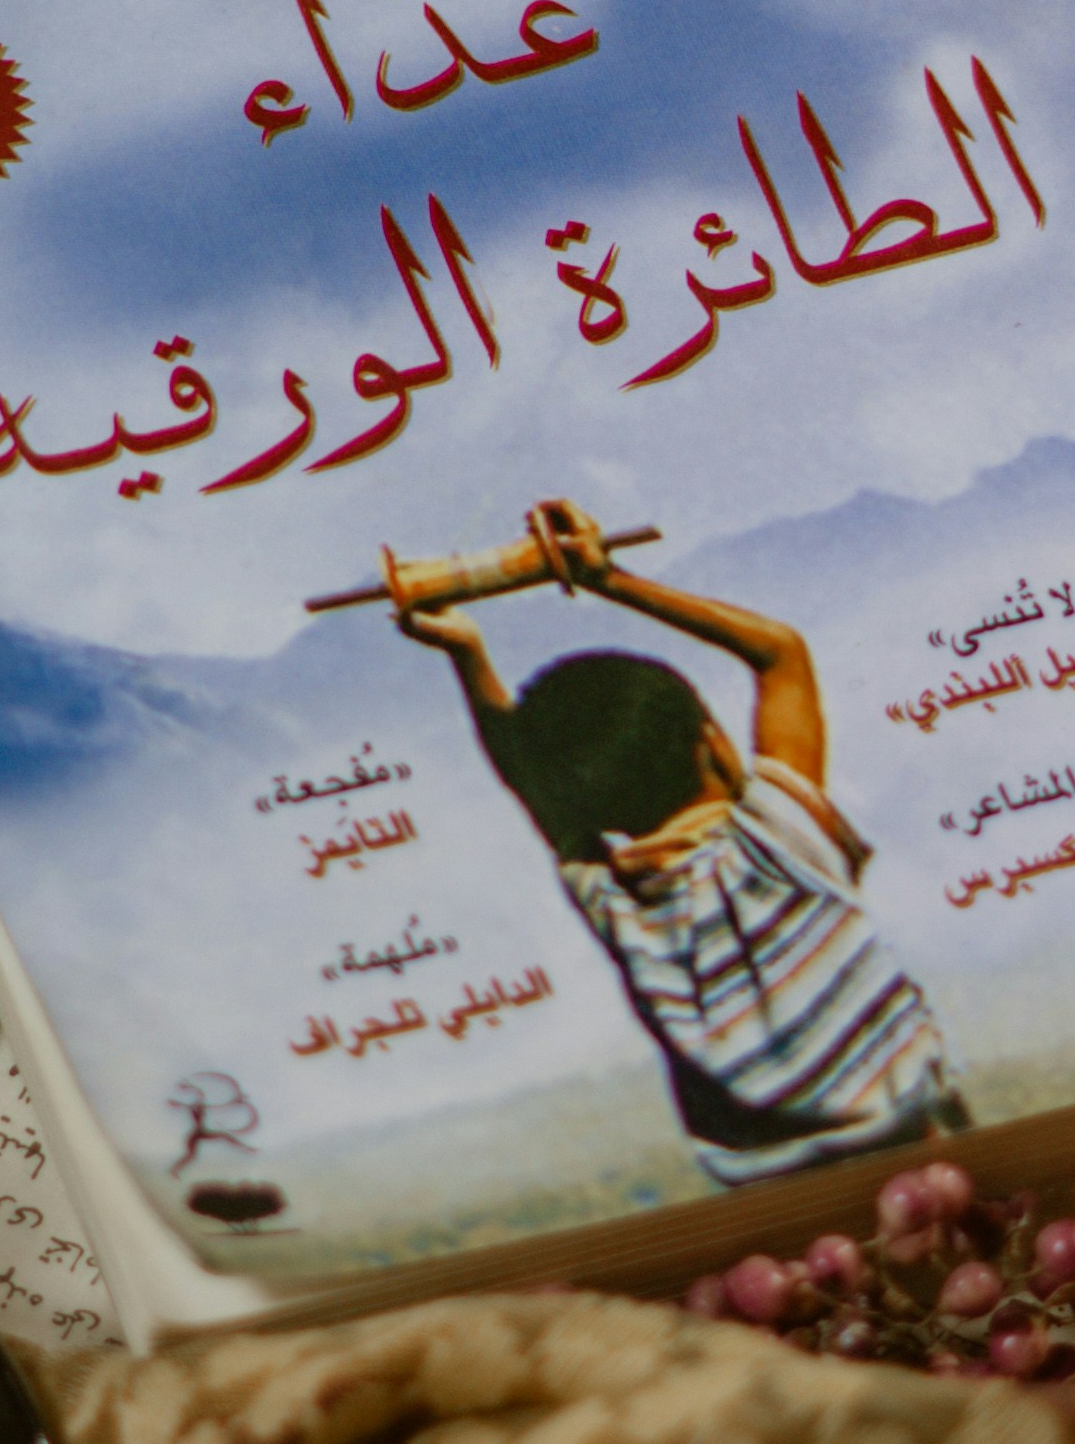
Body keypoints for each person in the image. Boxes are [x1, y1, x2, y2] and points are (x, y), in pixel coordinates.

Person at [391, 499, 960, 1181]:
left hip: (764, 1189)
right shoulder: (782, 841)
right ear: (715, 746)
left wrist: (466, 651)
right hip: (914, 1150)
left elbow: (527, 779)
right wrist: (608, 579)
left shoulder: (616, 900)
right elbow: (781, 652)